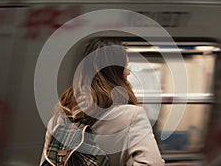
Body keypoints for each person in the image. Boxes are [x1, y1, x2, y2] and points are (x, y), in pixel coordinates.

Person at [40, 38, 165, 166]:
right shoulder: (133, 116)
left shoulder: (60, 116)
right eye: (125, 66)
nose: (128, 72)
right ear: (114, 72)